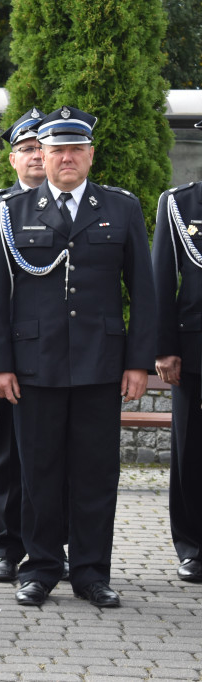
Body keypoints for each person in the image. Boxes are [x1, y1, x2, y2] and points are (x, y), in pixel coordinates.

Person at [0, 106, 156, 608]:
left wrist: (138, 361)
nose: (66, 158)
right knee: (39, 471)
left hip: (101, 364)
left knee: (96, 472)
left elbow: (143, 292)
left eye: (76, 149)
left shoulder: (120, 208)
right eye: (57, 150)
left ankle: (92, 572)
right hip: (35, 367)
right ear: (43, 155)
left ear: (90, 155)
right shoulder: (11, 212)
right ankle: (39, 568)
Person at [0, 107, 68, 583]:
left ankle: (52, 546)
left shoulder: (70, 205)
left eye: (40, 148)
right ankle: (6, 545)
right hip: (7, 356)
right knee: (7, 452)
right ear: (13, 158)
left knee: (58, 456)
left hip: (57, 354)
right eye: (25, 149)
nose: (35, 157)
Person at [152, 116, 202, 584]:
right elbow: (161, 282)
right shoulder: (180, 204)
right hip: (195, 352)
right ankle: (192, 546)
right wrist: (164, 348)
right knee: (192, 451)